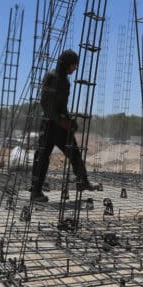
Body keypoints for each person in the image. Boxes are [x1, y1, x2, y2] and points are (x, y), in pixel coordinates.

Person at [30, 49, 94, 202]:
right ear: (67, 64)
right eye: (74, 65)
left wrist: (69, 119)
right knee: (42, 158)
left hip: (59, 125)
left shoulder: (65, 80)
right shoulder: (52, 77)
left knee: (74, 153)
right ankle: (36, 192)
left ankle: (82, 182)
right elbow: (45, 104)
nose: (75, 68)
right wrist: (61, 121)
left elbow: (62, 105)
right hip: (50, 125)